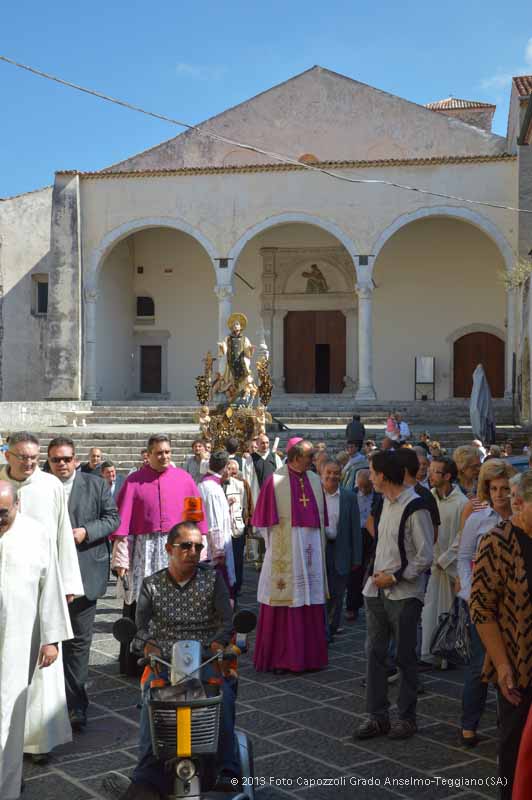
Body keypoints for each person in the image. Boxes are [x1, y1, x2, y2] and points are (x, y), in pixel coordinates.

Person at [123, 521, 240, 799]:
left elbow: (227, 621)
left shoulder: (213, 580)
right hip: (164, 662)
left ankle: (228, 771)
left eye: (198, 546)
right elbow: (139, 628)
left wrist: (218, 642)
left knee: (221, 696)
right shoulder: (152, 585)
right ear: (169, 549)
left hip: (205, 659)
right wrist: (148, 647)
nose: (193, 551)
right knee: (151, 699)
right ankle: (146, 775)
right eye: (185, 545)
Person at [0, 431, 83, 761]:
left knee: (42, 666)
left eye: (35, 457)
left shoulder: (50, 486)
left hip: (42, 586)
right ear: (8, 456)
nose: (30, 462)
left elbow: (62, 534)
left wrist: (68, 584)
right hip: (9, 586)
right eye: (23, 457)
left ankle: (36, 741)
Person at [0, 481, 73, 800]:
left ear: (17, 506)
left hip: (19, 639)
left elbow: (51, 586)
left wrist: (51, 638)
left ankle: (6, 789)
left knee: (9, 715)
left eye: (2, 513)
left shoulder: (35, 533)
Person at [110, 434, 206, 675]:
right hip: (145, 549)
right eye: (159, 453)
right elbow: (123, 527)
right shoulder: (134, 481)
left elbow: (196, 519)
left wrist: (198, 550)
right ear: (148, 454)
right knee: (144, 604)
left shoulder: (184, 479)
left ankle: (179, 658)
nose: (164, 457)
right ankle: (137, 661)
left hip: (177, 548)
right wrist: (121, 558)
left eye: (167, 452)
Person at [357, 451, 433, 741]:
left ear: (385, 475)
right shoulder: (384, 503)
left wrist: (396, 576)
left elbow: (425, 556)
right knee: (374, 654)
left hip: (404, 593)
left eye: (373, 472)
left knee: (404, 657)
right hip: (376, 591)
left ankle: (406, 718)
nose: (370, 477)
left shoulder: (416, 506)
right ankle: (377, 717)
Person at [47, 436, 120, 730]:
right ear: (49, 461)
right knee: (50, 642)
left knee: (78, 643)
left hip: (84, 572)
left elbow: (112, 519)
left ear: (76, 460)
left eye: (67, 459)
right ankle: (50, 705)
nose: (62, 464)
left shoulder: (96, 484)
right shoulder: (39, 486)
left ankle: (77, 705)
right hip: (49, 576)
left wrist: (86, 532)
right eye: (56, 459)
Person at [469, 470, 532, 798]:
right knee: (515, 750)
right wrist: (502, 664)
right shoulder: (498, 541)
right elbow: (481, 608)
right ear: (521, 504)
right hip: (519, 667)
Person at [252, 440, 328, 673]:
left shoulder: (315, 480)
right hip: (285, 552)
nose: (312, 460)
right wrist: (279, 547)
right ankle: (283, 658)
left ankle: (311, 657)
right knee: (287, 597)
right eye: (309, 456)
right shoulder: (275, 481)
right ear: (295, 457)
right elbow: (263, 524)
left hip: (311, 551)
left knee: (309, 596)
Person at [457, 459, 515, 748]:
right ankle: (469, 723)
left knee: (512, 662)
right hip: (483, 603)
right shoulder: (478, 520)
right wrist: (470, 595)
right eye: (495, 488)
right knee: (480, 663)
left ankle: (508, 720)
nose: (501, 494)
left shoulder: (521, 516)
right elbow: (463, 558)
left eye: (505, 488)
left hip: (514, 604)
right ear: (487, 490)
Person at [419, 456, 467, 667]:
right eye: (430, 470)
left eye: (435, 471)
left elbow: (463, 534)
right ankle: (431, 652)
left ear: (448, 476)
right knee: (430, 611)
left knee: (450, 612)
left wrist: (445, 559)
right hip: (434, 566)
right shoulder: (429, 497)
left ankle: (450, 654)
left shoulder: (462, 502)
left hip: (450, 568)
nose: (430, 474)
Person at [321, 460, 362, 636]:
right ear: (321, 474)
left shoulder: (349, 497)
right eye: (329, 472)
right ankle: (320, 630)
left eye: (336, 473)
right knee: (322, 593)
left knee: (338, 594)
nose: (332, 476)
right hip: (320, 551)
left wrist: (357, 558)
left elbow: (355, 529)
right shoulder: (315, 495)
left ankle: (331, 629)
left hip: (341, 550)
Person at [199, 450, 236, 594]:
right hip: (214, 553)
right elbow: (215, 524)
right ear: (225, 467)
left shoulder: (205, 484)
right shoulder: (212, 489)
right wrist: (219, 553)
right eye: (230, 468)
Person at [243, 433, 282, 563]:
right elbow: (247, 480)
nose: (265, 445)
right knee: (258, 528)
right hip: (257, 497)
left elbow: (281, 476)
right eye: (262, 443)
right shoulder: (251, 459)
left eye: (266, 442)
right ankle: (258, 558)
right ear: (257, 444)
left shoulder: (274, 458)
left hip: (274, 498)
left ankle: (273, 554)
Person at [346, 468, 374, 621]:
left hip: (371, 535)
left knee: (370, 569)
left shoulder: (378, 495)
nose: (363, 490)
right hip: (356, 534)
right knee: (355, 571)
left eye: (367, 487)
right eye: (361, 486)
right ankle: (352, 606)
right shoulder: (351, 494)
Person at [224, 458, 252, 598]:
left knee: (237, 558)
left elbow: (246, 506)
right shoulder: (217, 485)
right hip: (223, 528)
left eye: (234, 472)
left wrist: (246, 524)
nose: (231, 474)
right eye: (229, 470)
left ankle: (238, 585)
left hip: (237, 527)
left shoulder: (241, 485)